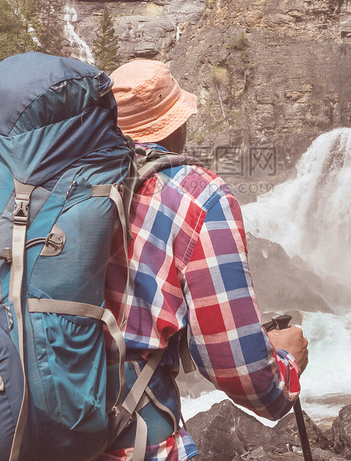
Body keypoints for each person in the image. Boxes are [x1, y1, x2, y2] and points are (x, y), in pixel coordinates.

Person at [101, 59, 309, 461]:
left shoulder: (52, 183)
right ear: (175, 125)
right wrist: (286, 365)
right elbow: (239, 369)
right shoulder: (198, 195)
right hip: (131, 442)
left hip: (24, 428)